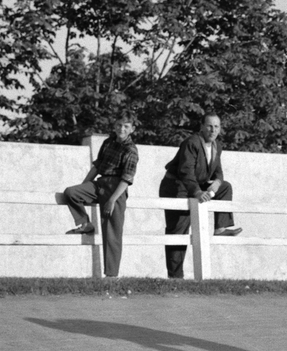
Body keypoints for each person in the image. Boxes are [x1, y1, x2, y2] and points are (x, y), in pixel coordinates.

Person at [159, 112, 241, 279]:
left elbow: (218, 171)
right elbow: (186, 171)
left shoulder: (217, 145)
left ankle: (220, 227)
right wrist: (197, 192)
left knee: (225, 188)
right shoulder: (191, 143)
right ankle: (175, 278)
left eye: (216, 126)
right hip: (177, 187)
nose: (213, 130)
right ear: (202, 127)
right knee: (178, 232)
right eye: (209, 126)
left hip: (197, 183)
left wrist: (217, 183)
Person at [61, 115, 139, 278]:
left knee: (112, 234)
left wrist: (112, 200)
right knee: (71, 193)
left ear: (132, 129)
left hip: (116, 189)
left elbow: (127, 179)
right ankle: (85, 223)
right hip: (101, 183)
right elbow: (97, 166)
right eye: (119, 125)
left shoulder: (131, 150)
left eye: (126, 126)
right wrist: (84, 185)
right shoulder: (108, 143)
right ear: (114, 126)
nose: (121, 129)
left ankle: (111, 276)